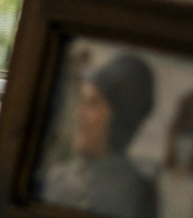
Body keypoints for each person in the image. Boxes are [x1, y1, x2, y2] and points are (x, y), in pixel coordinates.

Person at [42, 52, 159, 218]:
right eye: (83, 101)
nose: (79, 115)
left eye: (93, 104)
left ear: (121, 120)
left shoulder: (134, 194)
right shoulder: (57, 179)